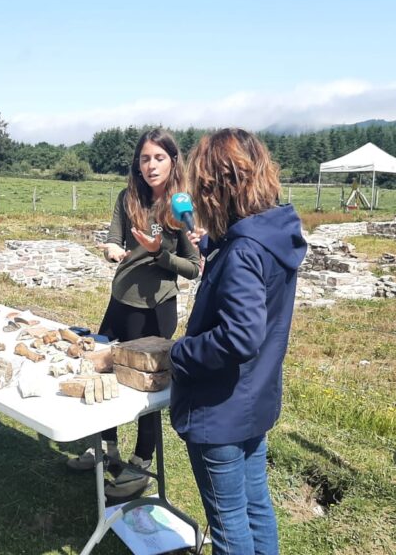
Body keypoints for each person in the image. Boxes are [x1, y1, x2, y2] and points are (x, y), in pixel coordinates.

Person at [169, 128, 307, 554]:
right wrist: (216, 246)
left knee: (229, 530)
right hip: (255, 401)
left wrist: (180, 352)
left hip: (220, 412)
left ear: (218, 188)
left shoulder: (244, 251)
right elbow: (248, 270)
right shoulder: (271, 235)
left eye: (202, 186)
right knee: (256, 509)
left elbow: (240, 337)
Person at [66, 129, 200, 503]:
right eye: (145, 158)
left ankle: (140, 464)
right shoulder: (128, 198)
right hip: (120, 300)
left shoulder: (181, 207)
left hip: (156, 311)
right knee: (104, 369)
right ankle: (104, 448)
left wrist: (159, 255)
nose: (151, 164)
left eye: (159, 157)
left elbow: (193, 268)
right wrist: (111, 248)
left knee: (145, 389)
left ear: (173, 161)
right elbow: (113, 238)